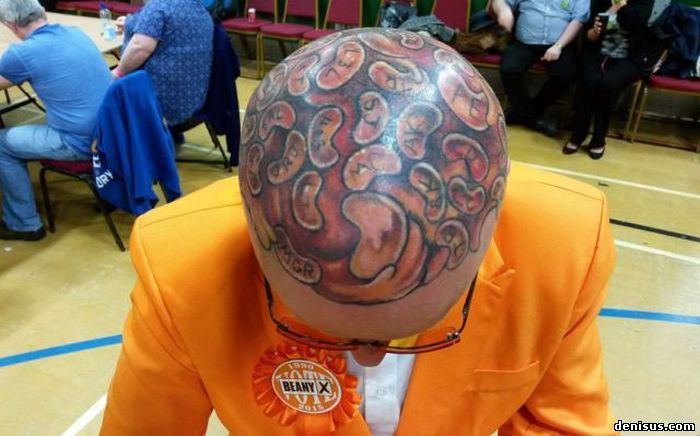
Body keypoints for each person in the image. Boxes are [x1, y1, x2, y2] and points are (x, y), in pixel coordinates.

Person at [101, 29, 618, 435]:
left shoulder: (561, 248)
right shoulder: (180, 269)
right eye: (319, 325)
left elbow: (563, 424)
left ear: (492, 227)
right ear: (249, 226)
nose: (370, 355)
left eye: (409, 332)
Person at [0, 0, 112, 241]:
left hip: (80, 142)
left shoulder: (21, 53)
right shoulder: (75, 33)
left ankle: (23, 223)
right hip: (112, 133)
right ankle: (110, 190)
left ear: (9, 24)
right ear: (42, 11)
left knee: (2, 144)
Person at [563, 0, 658, 159]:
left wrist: (620, 4)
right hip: (598, 52)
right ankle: (578, 133)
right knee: (588, 80)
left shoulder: (644, 2)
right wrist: (594, 32)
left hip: (629, 58)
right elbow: (588, 35)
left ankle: (599, 139)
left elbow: (635, 26)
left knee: (608, 84)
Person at [491, 0, 589, 136]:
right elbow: (499, 1)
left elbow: (578, 21)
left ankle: (523, 113)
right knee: (509, 69)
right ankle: (532, 117)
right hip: (525, 42)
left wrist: (558, 46)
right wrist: (503, 10)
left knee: (565, 74)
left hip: (559, 44)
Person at [113, 0, 213, 127]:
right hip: (192, 104)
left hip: (159, 109)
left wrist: (118, 73)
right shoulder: (201, 10)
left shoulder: (158, 7)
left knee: (102, 86)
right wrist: (132, 23)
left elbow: (140, 48)